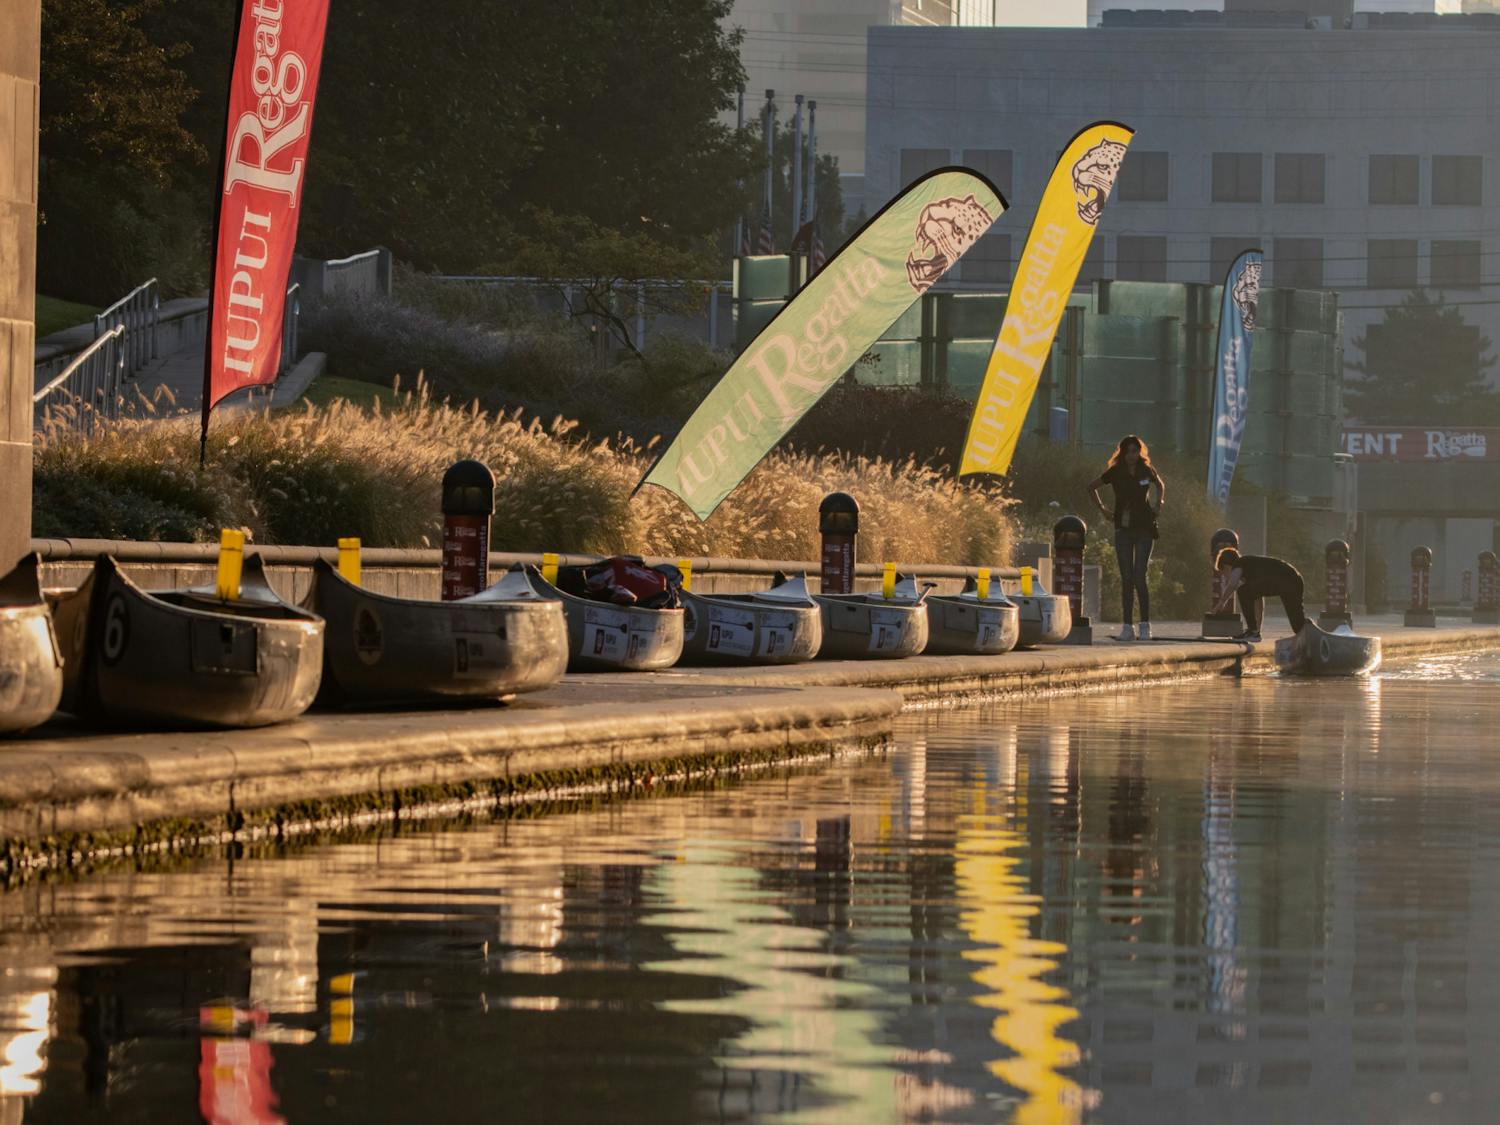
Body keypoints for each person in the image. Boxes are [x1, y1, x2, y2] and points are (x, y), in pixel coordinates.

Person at [1088, 435, 1165, 641]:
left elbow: (1160, 485)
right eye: (1128, 452)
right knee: (1127, 579)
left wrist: (1158, 504)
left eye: (1135, 451)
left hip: (1145, 528)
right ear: (1122, 453)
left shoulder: (1146, 470)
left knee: (1140, 576)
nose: (1132, 455)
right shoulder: (1115, 472)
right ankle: (1127, 627)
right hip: (1123, 529)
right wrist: (1103, 509)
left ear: (1140, 452)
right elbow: (1091, 487)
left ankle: (1145, 626)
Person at [1212, 547, 1306, 642]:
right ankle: (1254, 632)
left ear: (1227, 566)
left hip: (1287, 580)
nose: (1225, 576)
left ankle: (1252, 631)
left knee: (1242, 590)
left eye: (1223, 572)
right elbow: (1258, 600)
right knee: (1298, 625)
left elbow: (1232, 584)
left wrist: (1221, 602)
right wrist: (1257, 631)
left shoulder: (1239, 563)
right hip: (1294, 579)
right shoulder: (1250, 569)